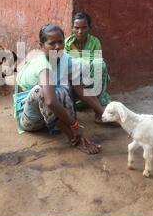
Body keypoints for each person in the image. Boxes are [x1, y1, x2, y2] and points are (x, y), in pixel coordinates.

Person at [15, 23, 106, 154]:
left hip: (51, 117)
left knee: (66, 86)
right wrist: (74, 125)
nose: (57, 47)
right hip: (31, 120)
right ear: (41, 46)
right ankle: (74, 137)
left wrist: (102, 113)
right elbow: (50, 101)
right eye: (52, 43)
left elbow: (80, 87)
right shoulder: (42, 65)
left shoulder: (66, 59)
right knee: (42, 92)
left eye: (60, 42)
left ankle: (69, 125)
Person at [64, 12, 111, 107]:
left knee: (100, 64)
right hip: (75, 77)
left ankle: (96, 96)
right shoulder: (67, 44)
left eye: (84, 27)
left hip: (91, 76)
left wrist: (80, 62)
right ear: (72, 28)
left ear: (89, 28)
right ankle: (77, 100)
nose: (80, 31)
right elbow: (66, 63)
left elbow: (97, 61)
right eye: (76, 28)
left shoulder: (95, 42)